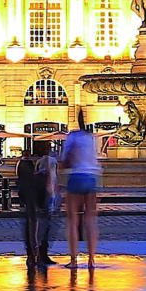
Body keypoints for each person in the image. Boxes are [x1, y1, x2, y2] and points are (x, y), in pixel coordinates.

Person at [57, 114, 103, 272]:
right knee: (90, 220)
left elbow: (65, 159)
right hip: (92, 177)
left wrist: (59, 179)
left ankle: (74, 259)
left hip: (76, 177)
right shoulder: (91, 138)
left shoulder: (72, 137)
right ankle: (91, 259)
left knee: (73, 220)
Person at [17, 140, 56, 267]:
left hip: (32, 193)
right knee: (41, 223)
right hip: (38, 193)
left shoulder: (27, 164)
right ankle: (39, 253)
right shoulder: (38, 164)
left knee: (33, 223)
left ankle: (33, 254)